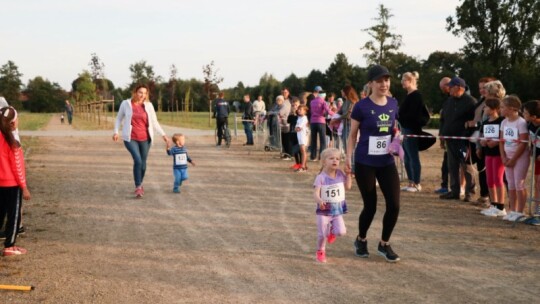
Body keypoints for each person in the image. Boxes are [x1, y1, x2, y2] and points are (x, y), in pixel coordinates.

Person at [345, 65, 401, 263]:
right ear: (371, 84)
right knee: (371, 206)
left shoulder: (393, 103)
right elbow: (352, 136)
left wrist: (397, 139)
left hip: (386, 162)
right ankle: (361, 239)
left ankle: (384, 244)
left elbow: (394, 129)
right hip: (365, 162)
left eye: (387, 80)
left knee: (394, 205)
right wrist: (348, 159)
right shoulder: (361, 106)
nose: (384, 84)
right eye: (379, 81)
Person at [113, 84, 169, 198]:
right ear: (135, 92)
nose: (142, 95)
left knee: (143, 164)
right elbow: (119, 118)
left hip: (145, 138)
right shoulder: (126, 103)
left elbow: (154, 122)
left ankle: (140, 183)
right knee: (138, 160)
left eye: (145, 93)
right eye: (140, 92)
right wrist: (116, 132)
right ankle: (138, 186)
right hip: (130, 138)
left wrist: (163, 134)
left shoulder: (148, 105)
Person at [439, 77, 477, 202]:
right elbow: (443, 119)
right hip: (450, 139)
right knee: (452, 166)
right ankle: (454, 191)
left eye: (451, 86)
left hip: (463, 140)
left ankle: (469, 192)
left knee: (467, 166)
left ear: (460, 87)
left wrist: (468, 137)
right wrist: (442, 135)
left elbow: (474, 122)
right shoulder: (448, 101)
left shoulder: (471, 102)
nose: (449, 88)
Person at [0, 106, 31, 256]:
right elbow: (17, 167)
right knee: (14, 215)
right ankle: (10, 246)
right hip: (12, 185)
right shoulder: (13, 141)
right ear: (13, 123)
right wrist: (24, 187)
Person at [313, 148, 352, 263]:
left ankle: (332, 232)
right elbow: (315, 193)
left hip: (336, 210)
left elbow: (348, 187)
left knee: (341, 232)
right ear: (324, 161)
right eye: (331, 158)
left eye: (337, 159)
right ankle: (321, 251)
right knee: (322, 234)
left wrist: (349, 174)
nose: (335, 161)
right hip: (324, 211)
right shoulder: (321, 177)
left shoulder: (340, 174)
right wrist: (320, 201)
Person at [466, 77, 497, 204]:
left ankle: (492, 199)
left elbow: (489, 121)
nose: (482, 90)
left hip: (489, 140)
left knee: (488, 170)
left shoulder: (494, 103)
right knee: (481, 168)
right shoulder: (481, 101)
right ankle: (484, 195)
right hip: (479, 139)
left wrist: (474, 124)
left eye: (484, 87)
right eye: (480, 88)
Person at [499, 96, 530, 221]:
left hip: (520, 157)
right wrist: (504, 157)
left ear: (511, 109)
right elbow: (501, 141)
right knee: (510, 184)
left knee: (519, 183)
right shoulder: (504, 122)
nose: (500, 109)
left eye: (502, 107)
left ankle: (520, 212)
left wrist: (513, 159)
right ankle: (513, 210)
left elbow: (523, 143)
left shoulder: (521, 122)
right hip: (507, 156)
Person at [398, 71, 427, 192]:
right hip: (405, 129)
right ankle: (411, 182)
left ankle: (416, 182)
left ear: (410, 81)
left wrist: (400, 116)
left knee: (413, 156)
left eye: (404, 80)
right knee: (406, 157)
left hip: (411, 129)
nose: (402, 82)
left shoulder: (416, 95)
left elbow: (413, 114)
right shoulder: (408, 95)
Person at [478, 98, 506, 217]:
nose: (484, 109)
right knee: (489, 180)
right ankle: (493, 204)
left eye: (487, 107)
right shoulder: (485, 122)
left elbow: (503, 137)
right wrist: (482, 142)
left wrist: (496, 142)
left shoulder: (501, 121)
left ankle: (501, 206)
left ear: (494, 108)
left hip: (499, 154)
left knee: (498, 179)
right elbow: (482, 135)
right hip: (488, 153)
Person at [522, 100, 540, 224]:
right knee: (537, 184)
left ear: (534, 116)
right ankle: (537, 212)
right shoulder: (530, 125)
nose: (523, 114)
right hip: (537, 159)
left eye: (526, 113)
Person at [309, 86, 333, 161]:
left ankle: (313, 156)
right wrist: (335, 114)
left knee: (313, 140)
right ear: (324, 96)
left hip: (313, 121)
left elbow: (311, 111)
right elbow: (328, 111)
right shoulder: (323, 102)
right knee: (322, 140)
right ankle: (322, 156)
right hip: (321, 121)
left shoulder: (312, 101)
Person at [295, 104, 309, 172]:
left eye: (301, 110)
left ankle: (303, 166)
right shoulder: (299, 118)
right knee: (302, 151)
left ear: (305, 111)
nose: (299, 111)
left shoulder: (304, 118)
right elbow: (296, 128)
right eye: (298, 109)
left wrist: (297, 128)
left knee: (303, 151)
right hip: (299, 136)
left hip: (303, 136)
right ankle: (304, 166)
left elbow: (298, 128)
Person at [280, 88, 293, 159]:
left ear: (288, 93)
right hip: (282, 123)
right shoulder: (281, 101)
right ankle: (285, 153)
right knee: (283, 139)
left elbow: (282, 112)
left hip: (287, 123)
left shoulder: (288, 102)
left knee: (287, 139)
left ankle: (289, 154)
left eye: (285, 92)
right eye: (283, 92)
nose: (284, 94)